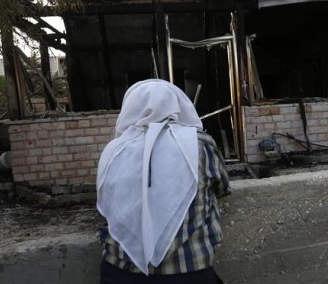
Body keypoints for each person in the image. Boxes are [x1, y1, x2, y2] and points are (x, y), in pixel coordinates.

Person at [97, 79, 230, 284]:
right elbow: (222, 188)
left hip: (119, 271)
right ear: (177, 105)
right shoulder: (200, 144)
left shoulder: (113, 151)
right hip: (189, 269)